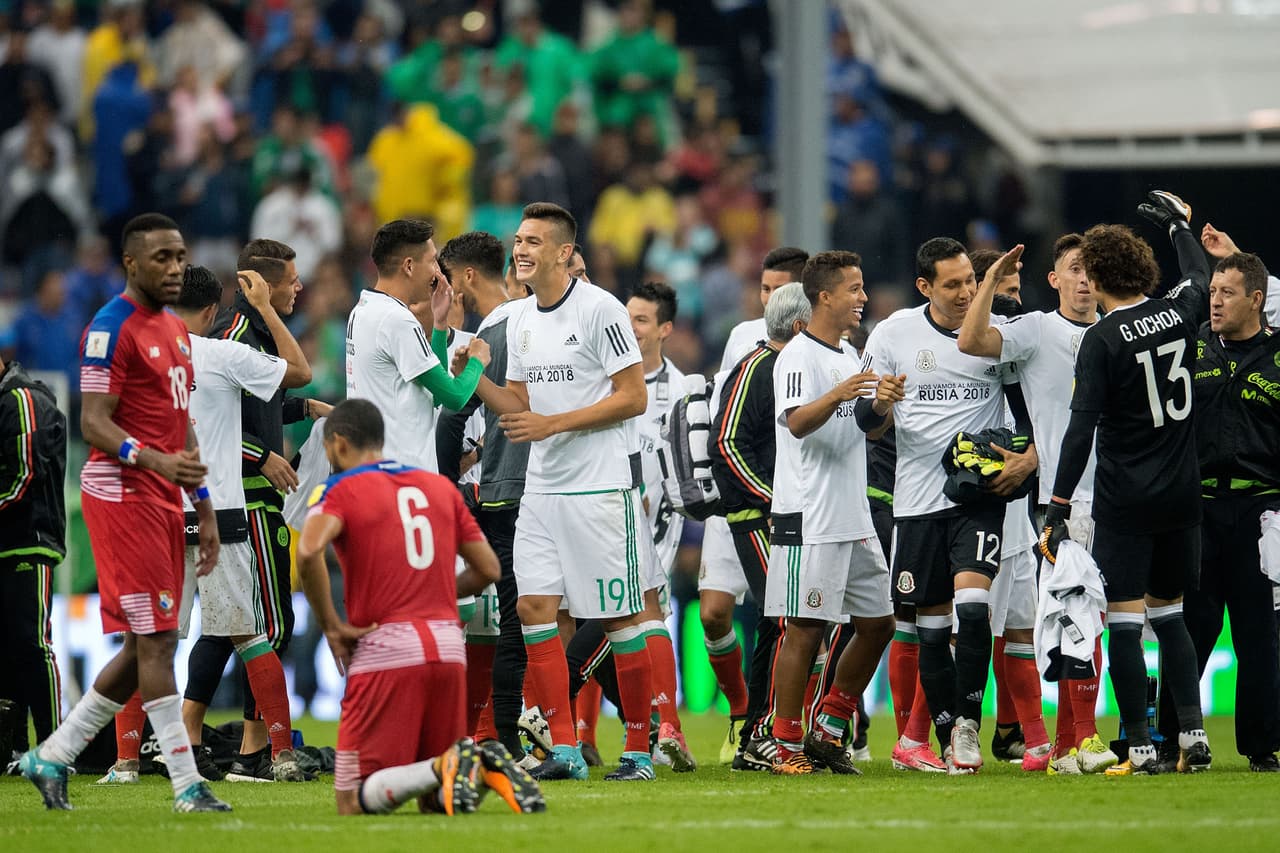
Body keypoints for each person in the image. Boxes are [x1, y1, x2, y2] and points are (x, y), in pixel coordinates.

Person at [19, 213, 229, 812]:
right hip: (121, 493)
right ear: (131, 263)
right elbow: (94, 422)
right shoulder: (109, 329)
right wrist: (155, 463)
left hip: (164, 496)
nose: (174, 267)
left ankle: (52, 756)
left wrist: (205, 505)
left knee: (146, 648)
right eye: (161, 257)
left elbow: (183, 426)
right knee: (159, 640)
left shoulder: (177, 332)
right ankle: (188, 786)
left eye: (181, 256)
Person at [467, 202, 656, 782]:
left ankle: (640, 750)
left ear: (564, 254)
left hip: (599, 490)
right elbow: (521, 405)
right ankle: (565, 748)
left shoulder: (600, 311)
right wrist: (475, 374)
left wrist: (553, 423)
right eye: (518, 240)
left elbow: (633, 397)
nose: (520, 250)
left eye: (533, 242)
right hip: (543, 491)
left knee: (622, 619)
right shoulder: (520, 319)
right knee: (532, 609)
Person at [296, 399, 544, 816]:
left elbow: (307, 553)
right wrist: (435, 590)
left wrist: (333, 626)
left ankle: (455, 762)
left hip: (386, 647)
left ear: (338, 444)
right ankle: (475, 765)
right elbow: (488, 568)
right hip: (448, 647)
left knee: (350, 800)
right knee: (437, 801)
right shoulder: (436, 487)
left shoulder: (339, 489)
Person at [1040, 191, 1212, 775]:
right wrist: (1180, 227)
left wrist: (1057, 504)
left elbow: (1080, 428)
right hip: (1183, 495)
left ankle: (1138, 743)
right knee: (1173, 616)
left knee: (1125, 623)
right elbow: (1198, 274)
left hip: (1126, 498)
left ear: (1101, 276)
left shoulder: (1102, 339)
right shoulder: (1180, 310)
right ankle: (1191, 736)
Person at [861, 237, 1038, 774]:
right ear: (925, 287)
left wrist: (1026, 458)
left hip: (976, 497)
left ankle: (967, 725)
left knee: (973, 609)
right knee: (931, 631)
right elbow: (868, 427)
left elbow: (1028, 411)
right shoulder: (893, 334)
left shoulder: (991, 338)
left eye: (970, 281)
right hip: (915, 501)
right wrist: (880, 406)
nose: (965, 292)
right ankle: (942, 734)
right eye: (953, 284)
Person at [958, 233, 1117, 774]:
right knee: (1078, 615)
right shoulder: (1036, 331)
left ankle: (1073, 745)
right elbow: (971, 339)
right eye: (1073, 269)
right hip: (1062, 498)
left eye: (1091, 270)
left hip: (1122, 496)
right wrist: (988, 282)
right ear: (1054, 280)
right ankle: (1083, 739)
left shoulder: (1118, 332)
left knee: (1108, 619)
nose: (1083, 279)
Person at [185, 239, 328, 781]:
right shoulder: (234, 334)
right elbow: (208, 418)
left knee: (238, 625)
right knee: (263, 622)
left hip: (250, 493)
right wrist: (261, 454)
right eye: (291, 279)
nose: (299, 288)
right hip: (238, 493)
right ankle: (250, 750)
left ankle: (221, 743)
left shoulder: (253, 334)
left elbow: (254, 403)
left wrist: (305, 409)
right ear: (263, 284)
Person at [762, 252, 900, 775]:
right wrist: (841, 391)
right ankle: (786, 744)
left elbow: (868, 427)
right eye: (854, 289)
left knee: (879, 623)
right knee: (805, 629)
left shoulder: (848, 354)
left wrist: (882, 403)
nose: (862, 298)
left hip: (852, 513)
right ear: (824, 296)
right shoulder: (799, 356)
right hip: (810, 515)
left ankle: (829, 723)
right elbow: (797, 422)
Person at [702, 245, 808, 770]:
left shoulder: (805, 361)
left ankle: (769, 732)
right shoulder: (756, 362)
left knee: (785, 618)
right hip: (757, 514)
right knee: (784, 615)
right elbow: (725, 442)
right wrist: (770, 500)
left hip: (794, 513)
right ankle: (762, 728)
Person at [436, 231, 533, 767]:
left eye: (450, 277)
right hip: (529, 482)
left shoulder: (492, 331)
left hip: (501, 488)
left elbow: (454, 416)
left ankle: (499, 733)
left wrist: (447, 481)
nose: (449, 288)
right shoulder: (526, 317)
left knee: (516, 618)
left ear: (467, 276)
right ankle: (504, 731)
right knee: (527, 615)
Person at [346, 219, 490, 474]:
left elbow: (433, 397)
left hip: (374, 470)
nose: (437, 272)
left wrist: (440, 323)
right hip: (401, 476)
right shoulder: (396, 320)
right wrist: (477, 360)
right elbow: (454, 398)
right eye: (433, 260)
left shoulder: (363, 309)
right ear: (409, 266)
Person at [0, 351, 66, 765]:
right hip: (8, 537)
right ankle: (15, 746)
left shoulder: (21, 399)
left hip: (29, 537)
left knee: (31, 643)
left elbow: (25, 475)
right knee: (9, 648)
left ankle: (56, 747)